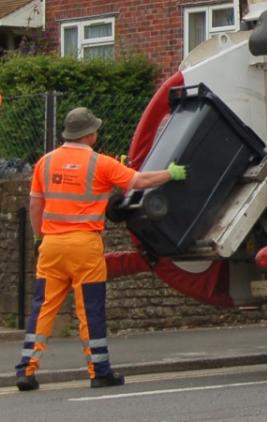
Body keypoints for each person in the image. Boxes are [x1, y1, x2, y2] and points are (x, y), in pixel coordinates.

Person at [14, 107, 187, 391]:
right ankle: (99, 371)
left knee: (43, 308)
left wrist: (39, 238)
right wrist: (169, 174)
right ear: (90, 134)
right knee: (90, 308)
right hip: (85, 245)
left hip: (52, 245)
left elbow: (35, 204)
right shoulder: (101, 164)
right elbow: (138, 182)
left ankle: (26, 369)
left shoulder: (44, 163)